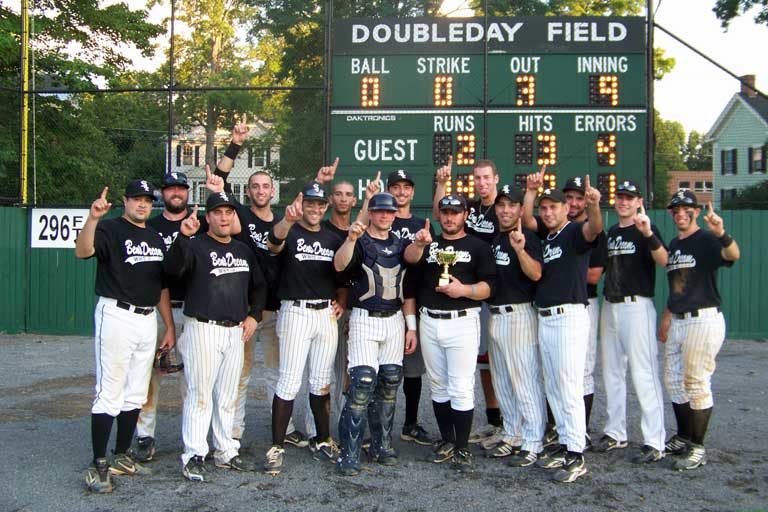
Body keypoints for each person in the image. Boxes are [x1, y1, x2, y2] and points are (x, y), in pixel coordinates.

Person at [211, 124, 313, 449]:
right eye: (254, 185)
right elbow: (218, 182)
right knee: (239, 373)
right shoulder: (240, 215)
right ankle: (234, 429)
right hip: (245, 310)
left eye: (265, 186)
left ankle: (284, 429)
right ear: (249, 190)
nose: (259, 190)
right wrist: (235, 144)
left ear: (273, 191)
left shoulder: (285, 221)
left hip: (276, 308)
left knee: (276, 373)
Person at [76, 180, 172, 493]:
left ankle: (120, 456)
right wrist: (93, 219)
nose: (142, 204)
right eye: (136, 199)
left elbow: (160, 286)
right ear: (125, 201)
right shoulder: (110, 229)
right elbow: (83, 251)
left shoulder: (155, 237)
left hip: (146, 318)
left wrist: (168, 325)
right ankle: (98, 464)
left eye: (147, 200)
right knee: (110, 391)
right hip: (116, 314)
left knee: (135, 392)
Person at [165, 191, 267, 482]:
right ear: (207, 217)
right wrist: (183, 238)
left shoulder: (243, 250)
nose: (223, 217)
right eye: (217, 212)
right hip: (203, 327)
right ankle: (194, 454)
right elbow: (172, 272)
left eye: (228, 212)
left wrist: (254, 316)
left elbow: (260, 286)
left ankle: (225, 451)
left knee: (227, 395)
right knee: (200, 395)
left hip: (235, 330)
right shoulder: (195, 245)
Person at [405, 195, 496, 474]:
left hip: (463, 321)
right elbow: (409, 263)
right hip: (430, 320)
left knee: (460, 386)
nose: (449, 217)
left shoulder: (478, 247)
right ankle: (447, 439)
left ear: (465, 215)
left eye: (455, 212)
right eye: (445, 212)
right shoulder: (429, 244)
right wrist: (419, 244)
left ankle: (462, 447)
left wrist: (465, 290)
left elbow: (488, 287)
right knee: (438, 385)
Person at [521, 176, 603, 484]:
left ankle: (577, 455)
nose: (548, 212)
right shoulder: (550, 237)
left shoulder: (573, 233)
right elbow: (527, 218)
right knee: (554, 387)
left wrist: (594, 205)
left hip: (569, 315)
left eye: (554, 206)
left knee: (568, 387)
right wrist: (531, 194)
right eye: (545, 207)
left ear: (567, 208)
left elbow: (594, 228)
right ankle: (567, 445)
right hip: (547, 317)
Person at [263, 183, 346, 476]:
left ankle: (322, 440)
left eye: (320, 204)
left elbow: (342, 276)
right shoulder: (291, 230)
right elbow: (273, 244)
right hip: (295, 311)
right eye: (310, 203)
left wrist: (342, 302)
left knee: (322, 380)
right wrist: (287, 219)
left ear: (326, 207)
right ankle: (277, 446)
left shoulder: (332, 237)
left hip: (324, 313)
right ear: (303, 205)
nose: (315, 209)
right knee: (289, 380)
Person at [334, 192, 416, 475]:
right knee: (362, 384)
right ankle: (349, 453)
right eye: (379, 211)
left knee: (390, 382)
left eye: (389, 212)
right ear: (370, 212)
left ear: (395, 214)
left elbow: (412, 258)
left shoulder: (401, 243)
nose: (384, 216)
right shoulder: (360, 240)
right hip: (365, 318)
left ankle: (381, 446)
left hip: (394, 320)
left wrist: (419, 243)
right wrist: (350, 239)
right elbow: (339, 264)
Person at [659, 190, 740, 470]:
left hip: (703, 318)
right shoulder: (674, 243)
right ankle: (683, 436)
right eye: (676, 209)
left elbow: (733, 256)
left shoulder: (706, 239)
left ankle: (697, 447)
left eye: (686, 208)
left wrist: (722, 233)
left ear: (695, 211)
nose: (681, 213)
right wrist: (668, 316)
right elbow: (677, 285)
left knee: (696, 382)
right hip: (680, 318)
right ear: (671, 213)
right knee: (672, 380)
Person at [432, 157, 504, 448]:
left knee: (498, 359)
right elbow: (441, 214)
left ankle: (507, 421)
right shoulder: (471, 208)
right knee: (482, 361)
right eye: (477, 178)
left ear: (495, 178)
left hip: (494, 286)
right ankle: (493, 419)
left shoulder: (503, 207)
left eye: (486, 177)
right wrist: (441, 184)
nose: (482, 182)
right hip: (467, 285)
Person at [594, 180, 668, 463]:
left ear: (638, 201)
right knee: (611, 372)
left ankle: (654, 440)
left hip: (637, 305)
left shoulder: (644, 228)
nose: (623, 201)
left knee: (643, 372)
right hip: (610, 304)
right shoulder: (612, 232)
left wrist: (648, 233)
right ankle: (615, 432)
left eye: (629, 197)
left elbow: (664, 260)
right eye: (620, 197)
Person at [131, 172, 190, 463]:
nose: (176, 192)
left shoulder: (200, 225)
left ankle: (192, 437)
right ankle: (145, 435)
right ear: (163, 194)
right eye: (171, 188)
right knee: (148, 377)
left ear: (188, 193)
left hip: (193, 309)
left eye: (181, 188)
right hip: (156, 308)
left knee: (191, 380)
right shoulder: (150, 228)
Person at [485, 185, 546, 466]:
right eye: (501, 205)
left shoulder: (529, 238)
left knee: (524, 380)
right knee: (502, 380)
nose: (506, 210)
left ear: (521, 209)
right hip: (496, 315)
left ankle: (533, 440)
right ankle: (512, 434)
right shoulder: (497, 239)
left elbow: (535, 274)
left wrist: (520, 250)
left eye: (511, 205)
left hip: (520, 315)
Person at [387, 169, 435, 445]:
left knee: (413, 370)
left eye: (406, 188)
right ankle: (379, 426)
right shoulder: (381, 220)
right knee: (384, 369)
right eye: (396, 187)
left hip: (413, 301)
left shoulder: (422, 224)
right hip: (385, 302)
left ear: (413, 192)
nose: (401, 192)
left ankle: (411, 423)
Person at [561, 177, 607, 448]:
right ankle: (560, 427)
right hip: (556, 307)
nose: (575, 203)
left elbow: (592, 276)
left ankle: (583, 429)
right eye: (570, 197)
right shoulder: (556, 228)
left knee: (583, 370)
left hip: (585, 305)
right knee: (558, 371)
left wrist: (560, 272)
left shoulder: (595, 232)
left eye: (579, 198)